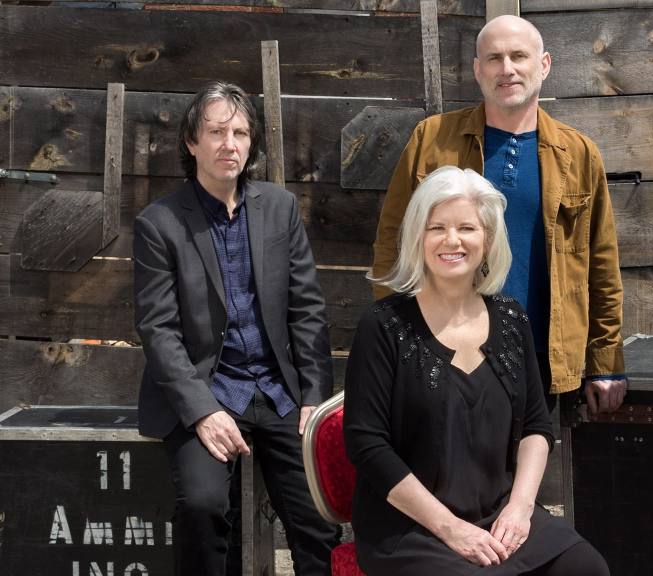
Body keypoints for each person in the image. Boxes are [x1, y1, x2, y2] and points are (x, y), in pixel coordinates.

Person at [344, 166, 609, 576]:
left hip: (501, 514)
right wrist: (451, 529)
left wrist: (520, 511)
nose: (452, 241)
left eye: (466, 227)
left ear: (487, 239)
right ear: (418, 237)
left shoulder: (510, 318)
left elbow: (538, 426)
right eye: (437, 228)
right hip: (414, 528)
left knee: (585, 567)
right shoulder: (383, 326)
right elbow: (368, 446)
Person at [371, 15, 626, 415]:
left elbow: (602, 265)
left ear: (543, 64)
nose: (506, 69)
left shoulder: (578, 154)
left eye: (518, 56)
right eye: (493, 58)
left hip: (540, 354)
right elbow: (392, 244)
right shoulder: (431, 139)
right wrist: (396, 341)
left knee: (528, 469)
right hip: (445, 346)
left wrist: (605, 363)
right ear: (477, 69)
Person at [133, 81, 337, 575]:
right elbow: (158, 330)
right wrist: (203, 413)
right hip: (207, 392)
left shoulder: (280, 208)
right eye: (217, 131)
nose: (231, 144)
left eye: (241, 132)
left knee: (321, 517)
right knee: (203, 508)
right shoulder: (159, 223)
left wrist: (314, 397)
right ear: (192, 142)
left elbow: (307, 309)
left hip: (280, 394)